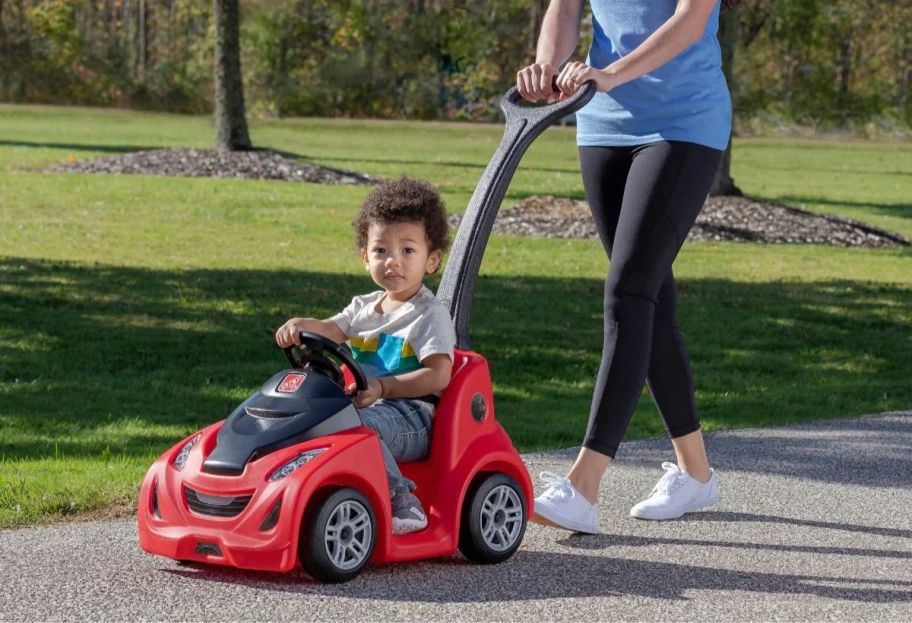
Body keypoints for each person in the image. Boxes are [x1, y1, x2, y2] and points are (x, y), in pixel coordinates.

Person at [517, 0, 733, 533]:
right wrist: (547, 64)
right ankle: (697, 474)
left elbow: (689, 21)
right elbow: (565, 8)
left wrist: (610, 74)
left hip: (684, 123)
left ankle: (583, 486)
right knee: (650, 300)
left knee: (627, 292)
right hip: (602, 123)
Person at [275, 177, 457, 535]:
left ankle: (402, 501)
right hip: (365, 407)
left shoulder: (427, 314)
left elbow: (439, 376)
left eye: (407, 250)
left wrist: (383, 387)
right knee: (307, 420)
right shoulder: (363, 308)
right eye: (381, 251)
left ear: (431, 260)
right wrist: (299, 325)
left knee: (357, 427)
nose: (393, 261)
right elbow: (329, 328)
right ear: (365, 257)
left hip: (413, 416)